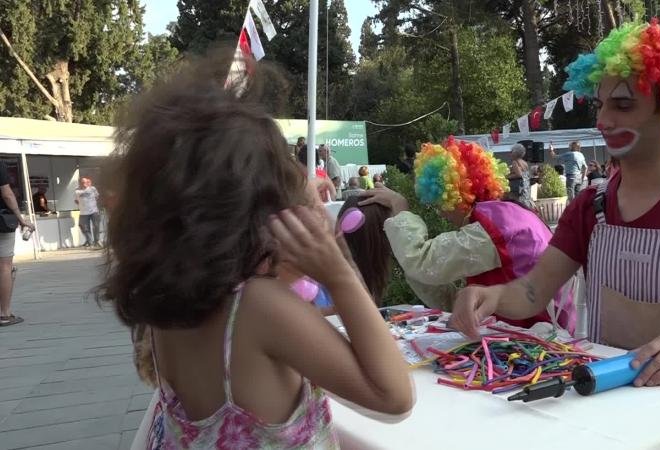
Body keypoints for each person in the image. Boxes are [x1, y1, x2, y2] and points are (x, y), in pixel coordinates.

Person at [101, 58, 412, 449]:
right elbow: (394, 398)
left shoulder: (173, 303)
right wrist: (340, 273)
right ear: (256, 212)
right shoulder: (258, 307)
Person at [451, 20, 660, 387]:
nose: (604, 121)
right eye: (601, 105)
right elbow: (531, 293)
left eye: (622, 105)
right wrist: (488, 296)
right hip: (613, 390)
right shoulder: (592, 205)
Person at [358, 137, 574, 332]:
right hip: (532, 330)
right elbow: (458, 299)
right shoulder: (505, 214)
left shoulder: (492, 228)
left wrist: (400, 207)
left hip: (537, 340)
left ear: (454, 196)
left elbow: (422, 263)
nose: (440, 212)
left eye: (438, 203)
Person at [0, 162, 32, 327]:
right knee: (5, 267)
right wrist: (21, 218)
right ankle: (4, 314)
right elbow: (7, 194)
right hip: (2, 224)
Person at [75, 176, 101, 248]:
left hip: (94, 211)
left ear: (88, 182)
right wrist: (82, 205)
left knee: (96, 226)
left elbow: (97, 197)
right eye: (82, 182)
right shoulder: (77, 191)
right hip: (84, 212)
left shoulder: (93, 189)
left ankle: (97, 241)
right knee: (85, 228)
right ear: (80, 183)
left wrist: (92, 204)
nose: (84, 184)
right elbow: (76, 201)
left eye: (85, 182)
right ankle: (90, 242)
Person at [507, 144, 533, 209]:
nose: (510, 153)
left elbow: (518, 174)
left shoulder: (515, 162)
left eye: (511, 152)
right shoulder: (525, 163)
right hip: (525, 187)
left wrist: (507, 177)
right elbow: (526, 175)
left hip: (516, 189)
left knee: (516, 206)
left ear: (515, 153)